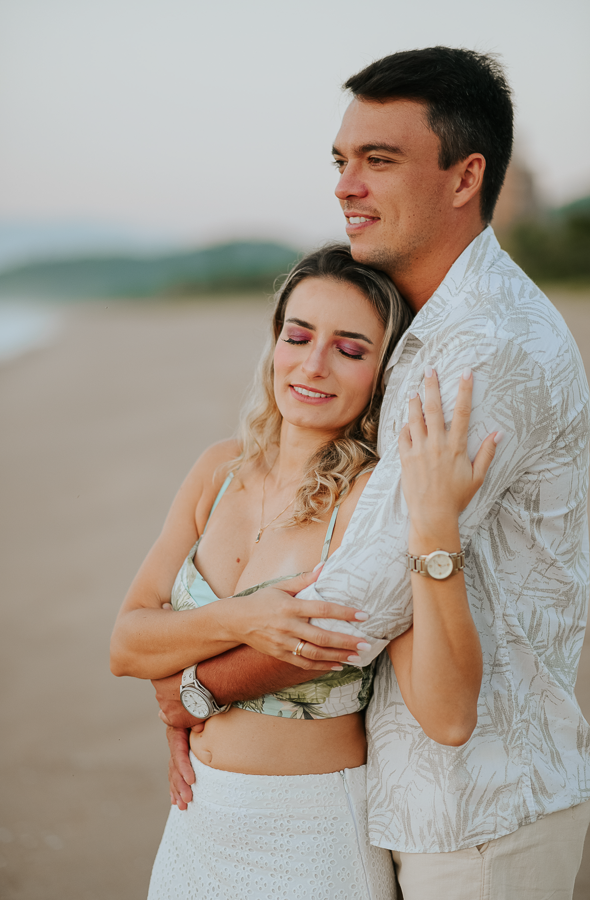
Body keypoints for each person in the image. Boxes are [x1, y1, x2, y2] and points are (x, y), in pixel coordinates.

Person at [159, 48, 590, 899]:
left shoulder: (482, 347)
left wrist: (193, 692)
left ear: (466, 176)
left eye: (378, 160)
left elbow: (355, 602)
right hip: (402, 800)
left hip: (477, 814)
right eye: (341, 161)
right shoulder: (428, 329)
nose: (345, 185)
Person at [110, 243, 499, 899]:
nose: (313, 364)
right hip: (194, 825)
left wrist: (435, 524)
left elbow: (449, 715)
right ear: (274, 344)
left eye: (349, 349)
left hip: (312, 838)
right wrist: (243, 617)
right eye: (298, 336)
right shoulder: (218, 469)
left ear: (383, 372)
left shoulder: (374, 500)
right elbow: (125, 645)